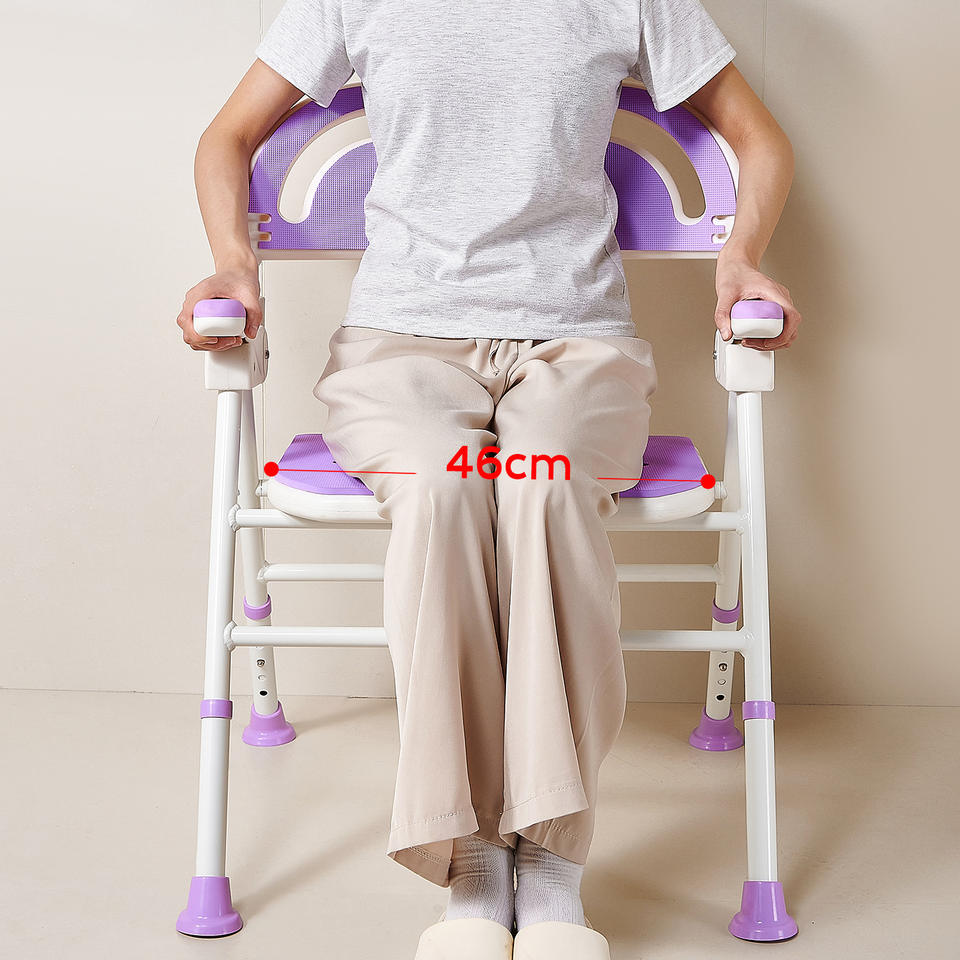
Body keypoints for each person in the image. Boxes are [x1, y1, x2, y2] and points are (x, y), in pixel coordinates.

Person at [177, 1, 801, 956]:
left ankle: (549, 862)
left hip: (578, 347)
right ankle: (471, 859)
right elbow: (227, 136)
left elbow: (758, 138)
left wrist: (740, 259)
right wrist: (233, 264)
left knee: (544, 486)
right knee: (440, 486)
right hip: (399, 345)